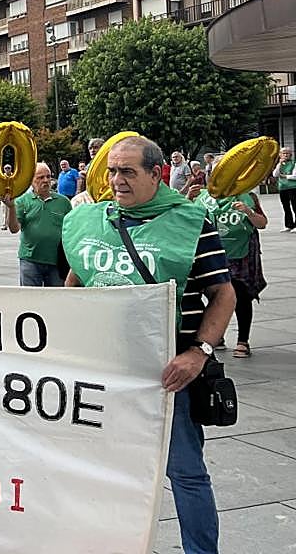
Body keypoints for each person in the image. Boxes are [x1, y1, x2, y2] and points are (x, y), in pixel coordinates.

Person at [62, 136, 234, 554]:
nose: (116, 180)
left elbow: (224, 294)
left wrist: (198, 354)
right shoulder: (92, 220)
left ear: (156, 174)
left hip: (168, 373)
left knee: (185, 472)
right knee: (105, 468)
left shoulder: (191, 221)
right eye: (111, 171)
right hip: (107, 369)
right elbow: (73, 285)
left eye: (128, 171)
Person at [195, 185, 267, 358]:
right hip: (211, 252)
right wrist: (187, 199)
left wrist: (248, 212)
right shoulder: (203, 196)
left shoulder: (247, 197)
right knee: (212, 296)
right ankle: (216, 336)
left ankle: (243, 340)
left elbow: (262, 223)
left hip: (239, 255)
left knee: (241, 295)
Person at [6, 163, 71, 287]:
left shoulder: (64, 202)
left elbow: (72, 231)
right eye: (40, 177)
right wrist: (11, 207)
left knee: (55, 300)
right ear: (31, 180)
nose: (46, 180)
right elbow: (14, 229)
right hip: (30, 260)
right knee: (30, 301)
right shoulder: (22, 201)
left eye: (48, 176)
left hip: (57, 261)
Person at [276, 146, 296, 231]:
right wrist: (279, 164)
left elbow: (295, 176)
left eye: (287, 153)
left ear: (291, 155)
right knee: (286, 207)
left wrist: (285, 176)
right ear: (280, 155)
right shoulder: (279, 164)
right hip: (282, 188)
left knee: (295, 206)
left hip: (293, 188)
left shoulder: (294, 163)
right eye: (283, 153)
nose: (285, 155)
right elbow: (275, 174)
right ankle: (289, 225)